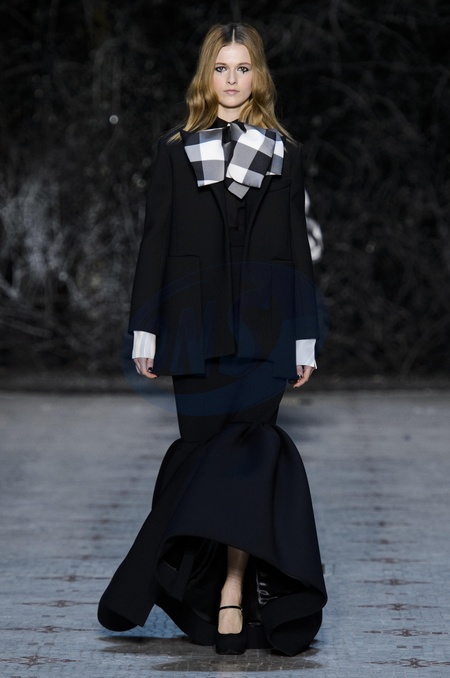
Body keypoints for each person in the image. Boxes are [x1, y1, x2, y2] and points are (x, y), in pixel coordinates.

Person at [98, 22, 327, 656]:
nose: (231, 78)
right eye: (221, 67)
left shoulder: (285, 153)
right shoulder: (176, 151)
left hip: (266, 331)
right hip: (195, 330)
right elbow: (155, 244)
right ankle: (179, 580)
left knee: (247, 466)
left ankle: (232, 590)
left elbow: (298, 254)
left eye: (243, 67)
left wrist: (304, 340)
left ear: (259, 77)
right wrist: (145, 328)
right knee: (202, 460)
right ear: (206, 76)